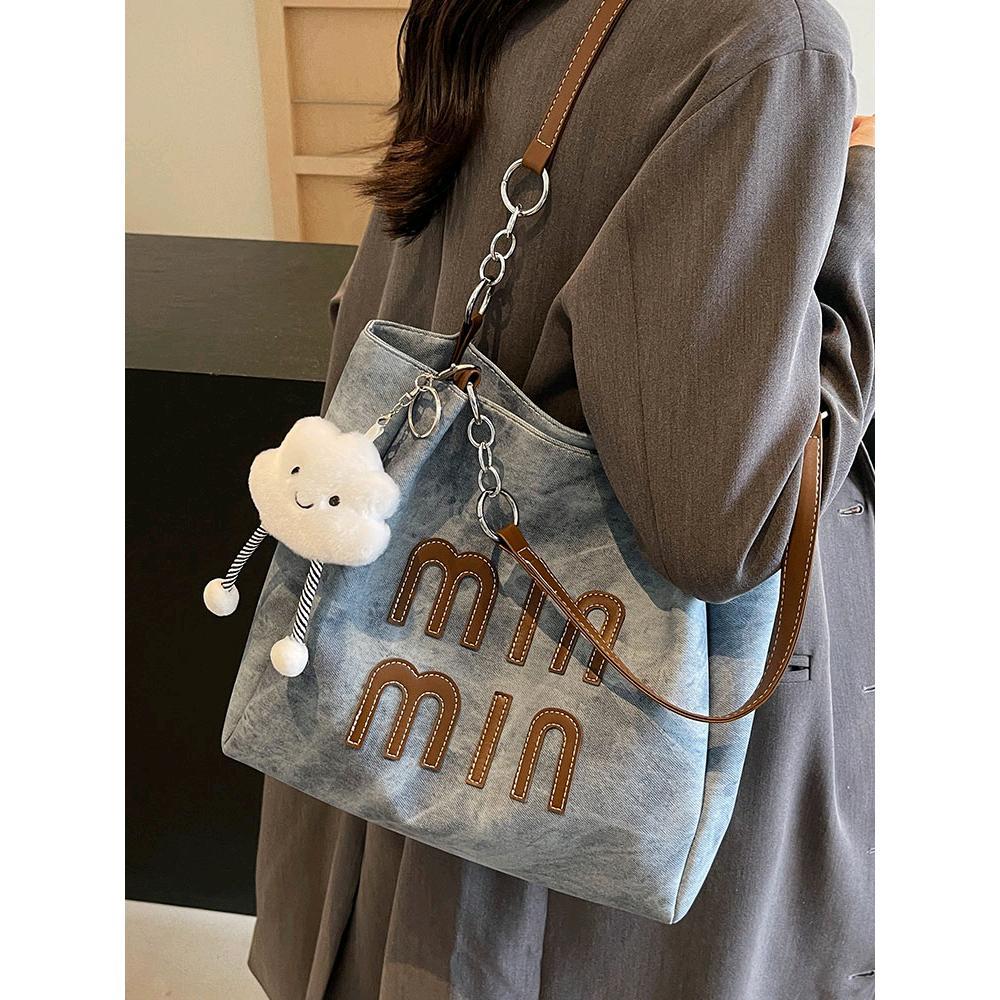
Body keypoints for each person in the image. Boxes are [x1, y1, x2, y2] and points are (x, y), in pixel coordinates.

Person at [248, 1, 875, 997]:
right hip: (568, 806)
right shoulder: (766, 38)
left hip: (402, 717)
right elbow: (723, 527)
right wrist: (861, 211)